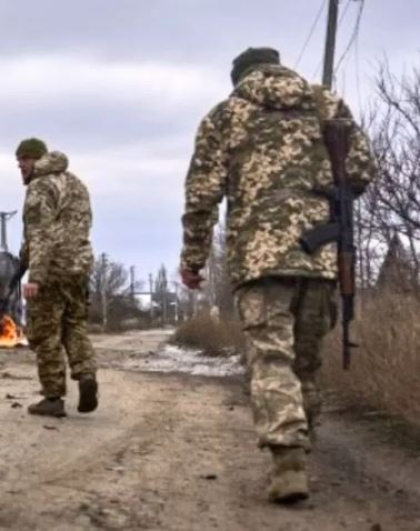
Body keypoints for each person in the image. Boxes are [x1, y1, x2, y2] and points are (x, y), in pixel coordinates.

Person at [179, 47, 377, 503]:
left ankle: (288, 461)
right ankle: (302, 448)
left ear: (239, 78)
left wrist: (193, 258)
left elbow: (202, 195)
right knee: (305, 361)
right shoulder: (326, 103)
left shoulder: (225, 115)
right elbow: (362, 170)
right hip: (321, 257)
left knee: (271, 358)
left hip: (259, 260)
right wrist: (322, 192)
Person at [16, 137, 98, 418]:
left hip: (51, 271)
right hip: (79, 268)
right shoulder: (76, 184)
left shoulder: (40, 187)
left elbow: (40, 234)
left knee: (46, 334)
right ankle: (86, 375)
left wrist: (35, 276)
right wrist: (21, 263)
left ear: (39, 159)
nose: (20, 166)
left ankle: (53, 398)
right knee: (74, 326)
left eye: (25, 159)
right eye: (19, 160)